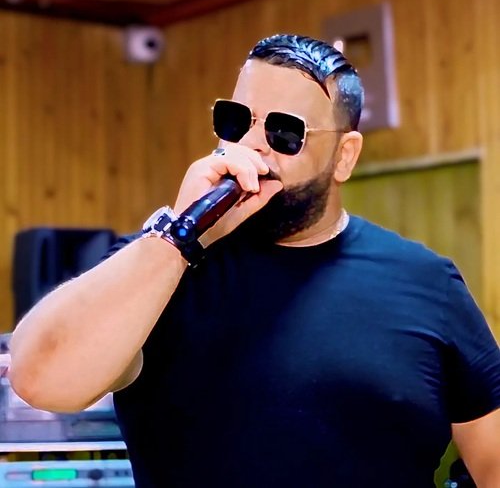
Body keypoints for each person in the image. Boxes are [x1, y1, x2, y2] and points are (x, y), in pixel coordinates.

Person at [9, 34, 500, 488]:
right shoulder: (161, 269)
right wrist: (178, 235)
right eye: (236, 120)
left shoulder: (427, 284)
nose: (252, 145)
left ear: (344, 156)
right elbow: (39, 380)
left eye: (285, 132)